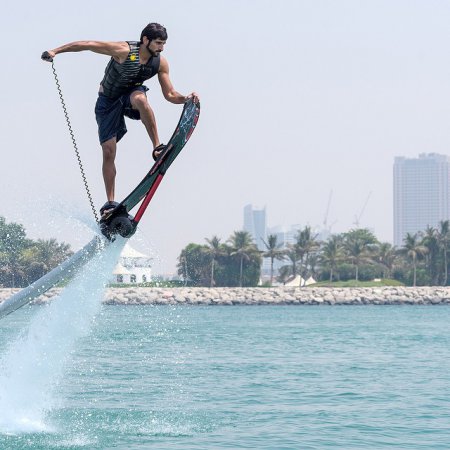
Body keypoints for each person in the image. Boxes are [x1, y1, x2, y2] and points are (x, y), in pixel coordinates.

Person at [42, 23, 199, 217]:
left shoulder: (160, 63)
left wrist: (184, 99)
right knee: (108, 151)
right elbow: (88, 44)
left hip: (131, 96)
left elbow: (170, 94)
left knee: (140, 98)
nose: (161, 48)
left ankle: (157, 147)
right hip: (107, 102)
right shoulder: (123, 50)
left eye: (164, 44)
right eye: (158, 43)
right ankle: (110, 203)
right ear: (145, 40)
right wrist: (55, 51)